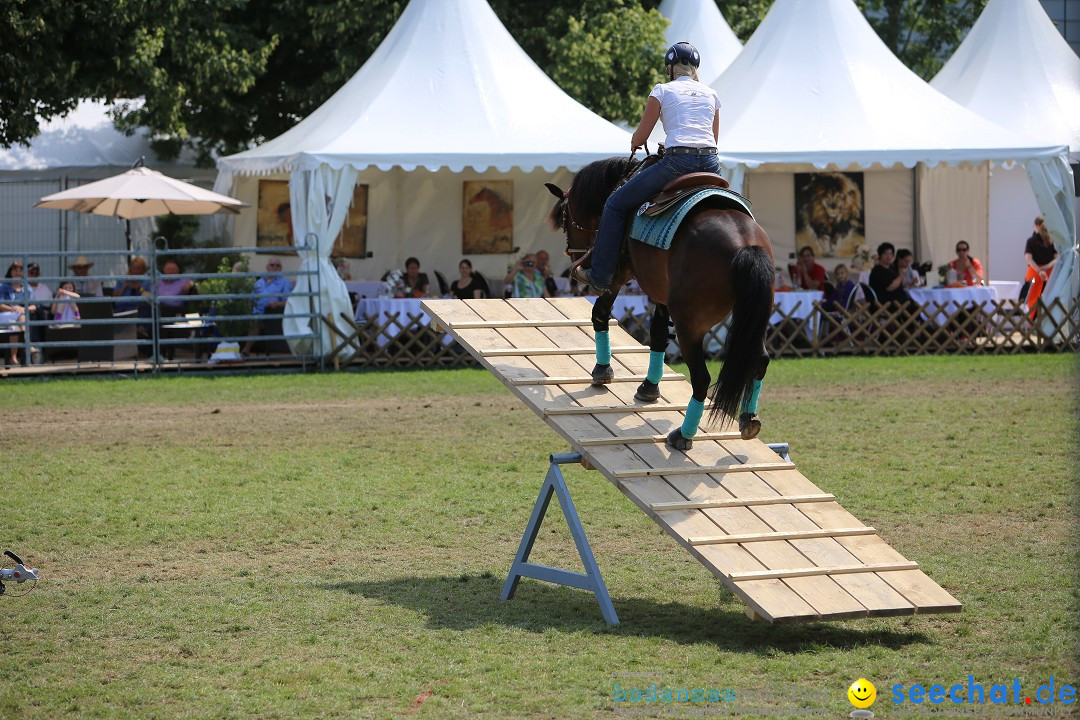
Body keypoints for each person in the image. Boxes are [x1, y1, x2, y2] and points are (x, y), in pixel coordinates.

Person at [574, 41, 720, 292]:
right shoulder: (712, 94)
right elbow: (713, 139)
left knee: (615, 204)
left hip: (677, 162)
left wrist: (635, 142)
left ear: (670, 68)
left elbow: (641, 137)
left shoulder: (662, 90)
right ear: (695, 68)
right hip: (710, 164)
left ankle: (599, 275)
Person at [242, 257, 293, 355]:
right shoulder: (259, 282)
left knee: (255, 321)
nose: (274, 267)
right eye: (272, 265)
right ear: (267, 267)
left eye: (277, 266)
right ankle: (229, 350)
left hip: (270, 314)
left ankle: (245, 350)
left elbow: (288, 301)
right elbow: (250, 298)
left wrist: (277, 303)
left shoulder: (284, 282)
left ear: (280, 269)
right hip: (253, 312)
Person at [1023, 215, 1058, 317]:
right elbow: (1057, 258)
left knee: (1033, 300)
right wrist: (1046, 267)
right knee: (1048, 299)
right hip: (1048, 275)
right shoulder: (1049, 241)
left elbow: (1028, 258)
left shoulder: (1031, 241)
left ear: (1035, 226)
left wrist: (1039, 270)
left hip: (1034, 274)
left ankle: (1033, 323)